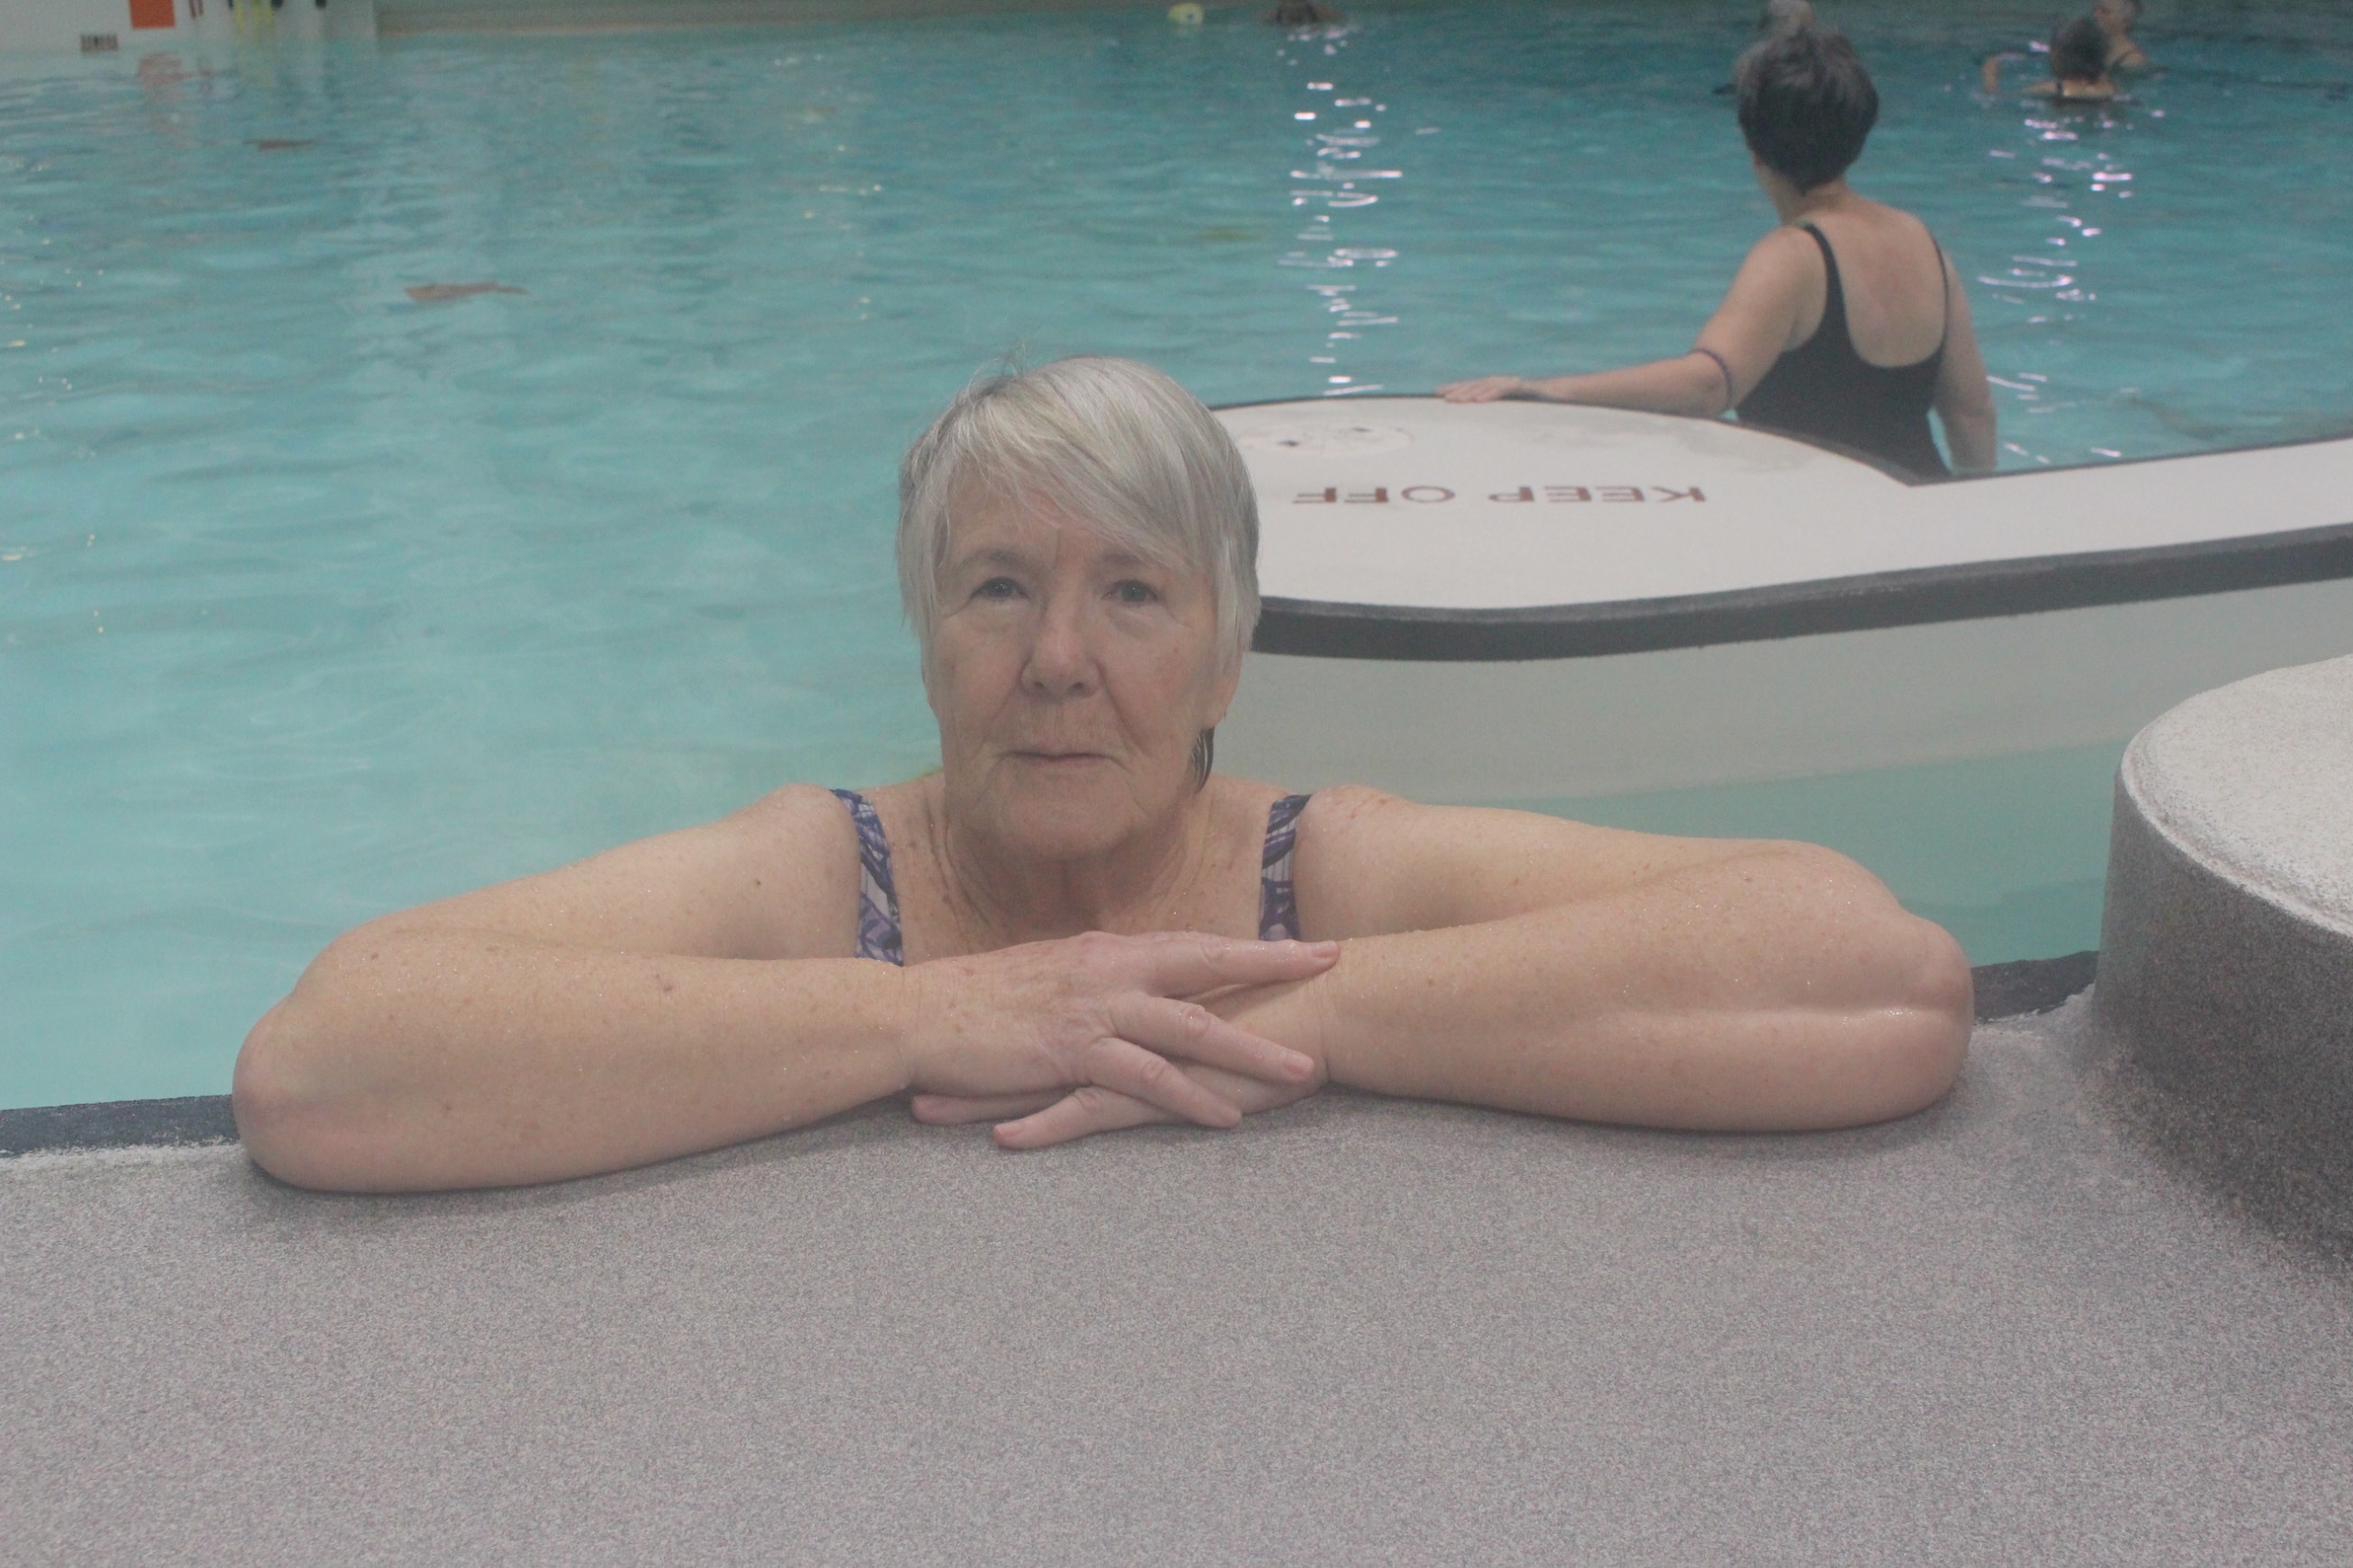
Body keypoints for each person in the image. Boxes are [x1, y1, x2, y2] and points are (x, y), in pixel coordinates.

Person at [233, 357, 1975, 1194]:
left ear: (1224, 656)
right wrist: (938, 1017)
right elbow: (327, 1065)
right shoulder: (824, 881)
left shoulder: (1320, 871)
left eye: (1133, 593)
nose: (1058, 659)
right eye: (998, 588)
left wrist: (1251, 1014)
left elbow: (1881, 981)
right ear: (925, 638)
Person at [1443, 28, 1996, 479]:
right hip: (1919, 510)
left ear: (1754, 151)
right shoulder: (1926, 246)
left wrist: (1547, 391)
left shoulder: (1793, 256)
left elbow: (1708, 386)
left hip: (1822, 526)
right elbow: (1971, 417)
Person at [1982, 17, 2120, 101]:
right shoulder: (2112, 89)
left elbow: (1997, 98)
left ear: (2060, 57)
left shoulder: (2053, 89)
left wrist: (1990, 75)